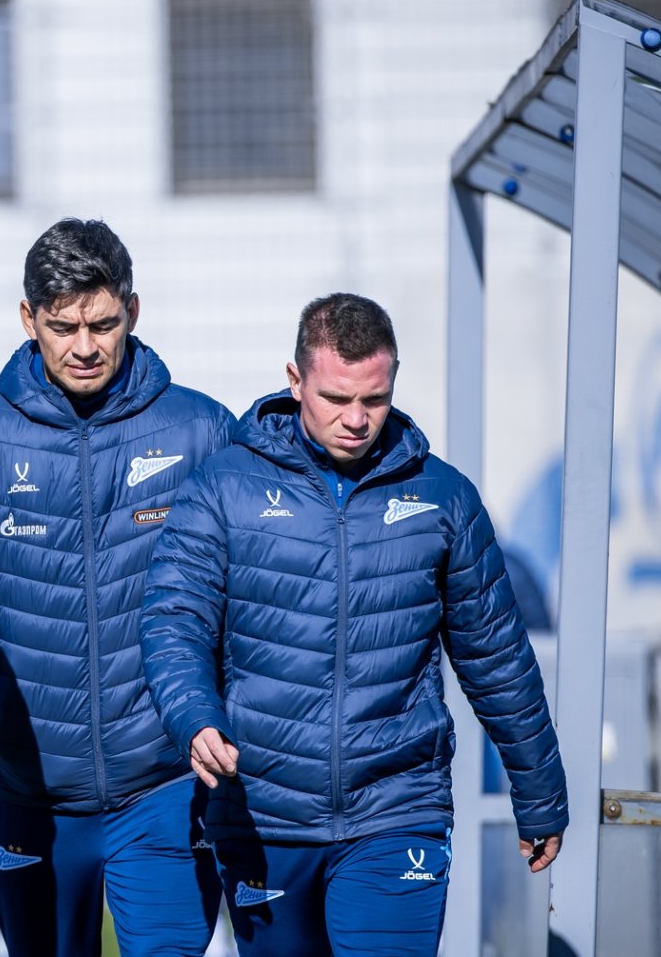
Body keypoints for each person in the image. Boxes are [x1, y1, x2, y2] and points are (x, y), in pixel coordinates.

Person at [139, 293, 569, 956]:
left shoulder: (443, 498)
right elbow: (174, 620)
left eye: (375, 398)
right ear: (295, 381)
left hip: (398, 810)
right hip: (264, 812)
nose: (357, 419)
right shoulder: (223, 488)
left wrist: (538, 789)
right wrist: (195, 717)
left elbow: (498, 659)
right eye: (336, 398)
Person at [0, 218, 232, 956]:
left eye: (103, 325)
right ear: (27, 319)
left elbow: (247, 598)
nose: (84, 346)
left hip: (167, 786)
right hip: (28, 792)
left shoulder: (202, 432)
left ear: (132, 311)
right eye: (62, 326)